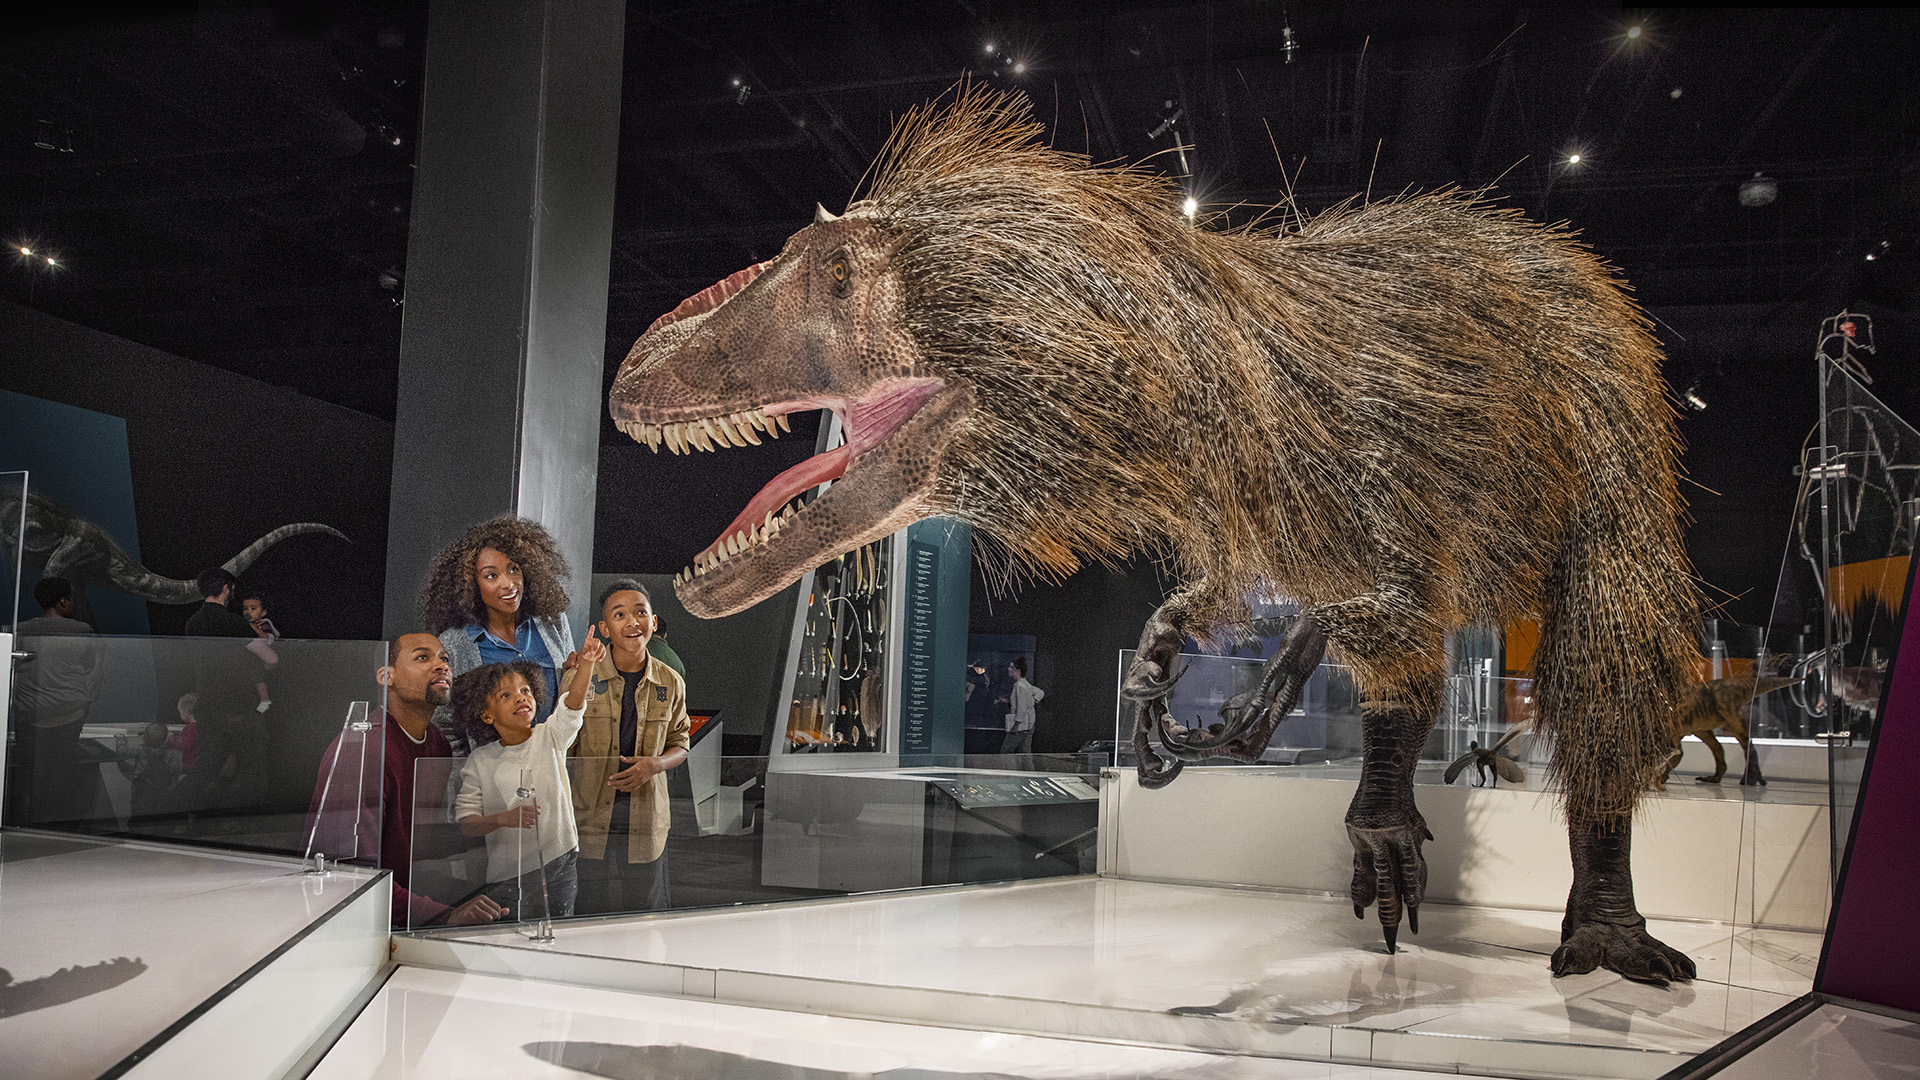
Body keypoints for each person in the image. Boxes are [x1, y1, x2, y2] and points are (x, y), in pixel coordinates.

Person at [306, 633, 507, 928]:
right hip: (347, 916)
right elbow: (349, 876)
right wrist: (443, 914)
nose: (441, 666)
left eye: (445, 658)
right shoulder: (362, 750)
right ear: (387, 676)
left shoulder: (436, 743)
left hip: (396, 901)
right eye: (423, 657)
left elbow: (417, 843)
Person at [451, 629, 604, 920]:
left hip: (561, 862)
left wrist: (586, 664)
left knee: (558, 933)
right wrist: (503, 819)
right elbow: (466, 823)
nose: (521, 698)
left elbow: (572, 706)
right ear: (486, 714)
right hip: (510, 875)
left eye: (526, 691)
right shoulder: (480, 761)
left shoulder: (550, 736)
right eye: (506, 695)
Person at [571, 580, 690, 915]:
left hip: (645, 815)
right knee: (586, 907)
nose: (632, 621)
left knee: (644, 909)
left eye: (640, 612)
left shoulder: (670, 681)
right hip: (588, 813)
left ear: (653, 622)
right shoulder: (581, 676)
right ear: (606, 628)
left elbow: (681, 743)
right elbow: (562, 742)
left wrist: (655, 765)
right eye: (620, 614)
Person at [421, 517, 578, 754]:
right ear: (471, 583)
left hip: (552, 769)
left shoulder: (552, 624)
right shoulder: (455, 643)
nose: (508, 584)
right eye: (491, 576)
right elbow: (445, 727)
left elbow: (570, 702)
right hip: (491, 778)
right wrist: (468, 774)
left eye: (513, 569)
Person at [9, 577, 106, 825]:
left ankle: (26, 825)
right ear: (63, 601)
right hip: (70, 713)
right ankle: (53, 824)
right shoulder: (82, 631)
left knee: (30, 774)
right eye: (70, 599)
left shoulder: (20, 630)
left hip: (29, 715)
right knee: (59, 771)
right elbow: (89, 666)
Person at [182, 568, 277, 813]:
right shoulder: (232, 622)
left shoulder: (193, 623)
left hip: (207, 704)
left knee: (208, 766)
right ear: (226, 588)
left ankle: (176, 811)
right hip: (237, 705)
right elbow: (270, 657)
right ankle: (247, 822)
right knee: (252, 765)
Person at [240, 589, 278, 714]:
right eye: (246, 609)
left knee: (259, 680)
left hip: (263, 659)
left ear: (263, 612)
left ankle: (265, 700)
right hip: (251, 658)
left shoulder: (263, 623)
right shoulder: (243, 625)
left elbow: (267, 638)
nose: (248, 612)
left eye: (253, 609)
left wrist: (253, 627)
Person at [1002, 656, 1045, 764]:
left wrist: (1016, 725)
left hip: (1021, 725)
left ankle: (1011, 775)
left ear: (1018, 671)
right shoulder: (1026, 685)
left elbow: (1021, 707)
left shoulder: (1020, 686)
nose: (1008, 669)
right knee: (1025, 753)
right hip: (1029, 724)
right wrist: (1032, 701)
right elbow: (1040, 692)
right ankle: (1028, 776)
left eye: (1011, 667)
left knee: (1006, 750)